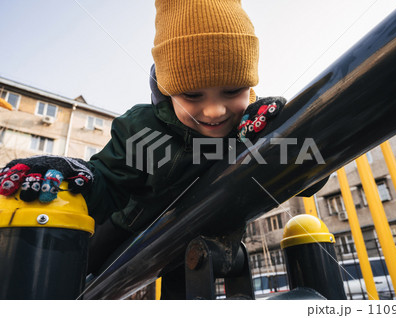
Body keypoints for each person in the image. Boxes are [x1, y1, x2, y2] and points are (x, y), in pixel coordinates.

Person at [0, 0, 327, 299]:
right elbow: (109, 184)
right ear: (169, 91)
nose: (214, 111)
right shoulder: (145, 129)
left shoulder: (252, 127)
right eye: (192, 95)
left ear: (250, 84)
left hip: (204, 243)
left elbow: (307, 176)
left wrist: (284, 131)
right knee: (82, 280)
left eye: (232, 90)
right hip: (127, 233)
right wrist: (80, 177)